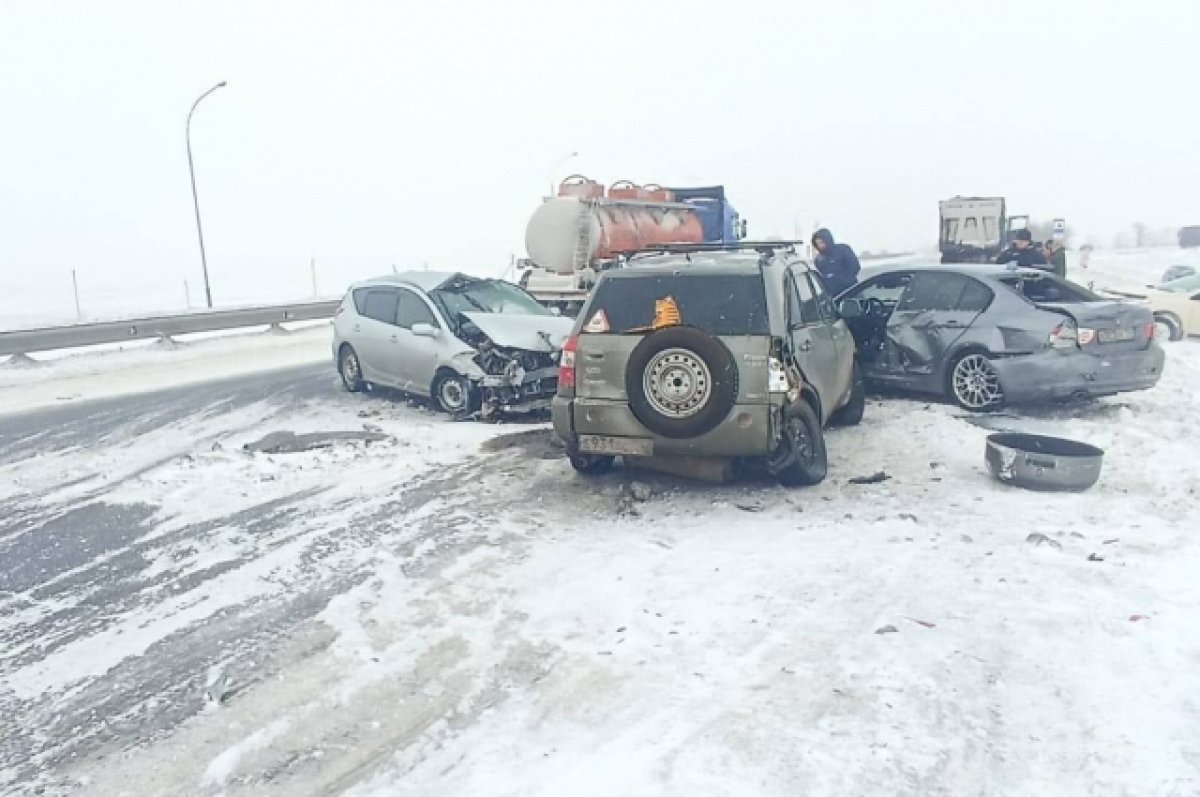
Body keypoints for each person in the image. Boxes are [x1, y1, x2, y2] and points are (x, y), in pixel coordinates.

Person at [810, 228, 861, 296]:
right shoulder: (818, 260)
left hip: (851, 290)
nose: (820, 246)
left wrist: (840, 280)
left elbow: (855, 267)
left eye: (821, 242)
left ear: (828, 240)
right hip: (834, 296)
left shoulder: (843, 249)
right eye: (817, 244)